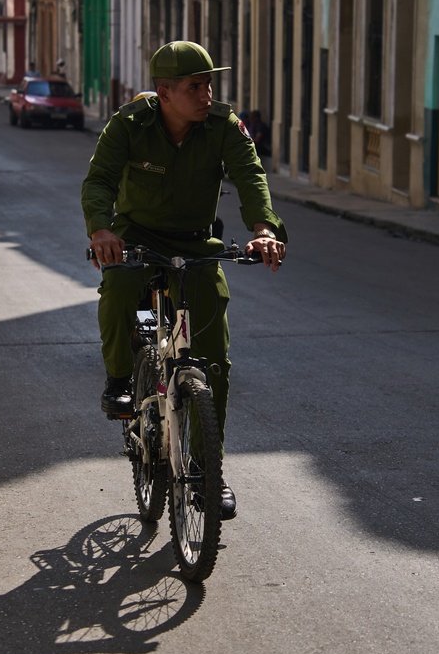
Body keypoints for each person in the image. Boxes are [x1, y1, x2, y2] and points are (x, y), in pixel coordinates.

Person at [82, 40, 287, 521]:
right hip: (137, 239)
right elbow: (99, 182)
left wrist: (263, 230)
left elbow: (251, 176)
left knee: (213, 355)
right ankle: (120, 381)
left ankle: (208, 470)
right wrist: (101, 229)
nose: (207, 94)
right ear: (165, 91)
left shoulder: (222, 127)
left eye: (209, 84)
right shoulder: (129, 125)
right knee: (121, 293)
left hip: (195, 244)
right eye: (195, 86)